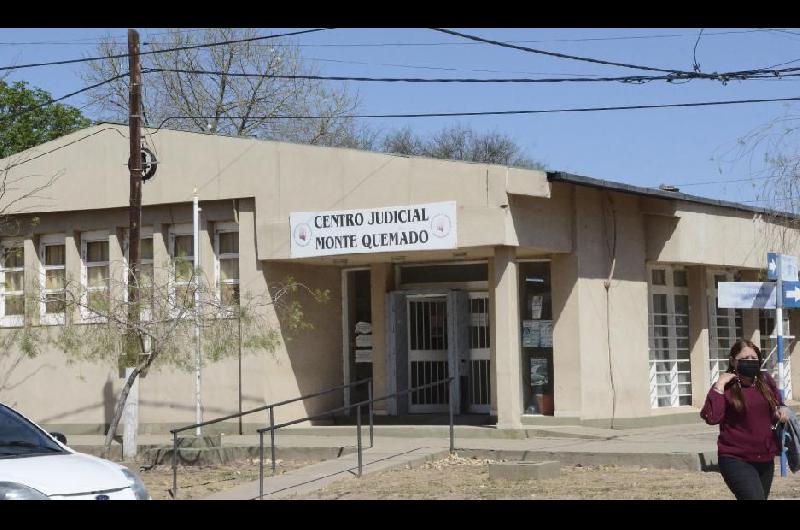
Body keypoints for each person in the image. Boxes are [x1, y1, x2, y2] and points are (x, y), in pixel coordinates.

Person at [701, 339, 790, 500]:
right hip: (736, 458)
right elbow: (712, 417)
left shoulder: (765, 381)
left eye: (754, 358)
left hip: (765, 457)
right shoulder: (726, 387)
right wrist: (719, 384)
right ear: (733, 360)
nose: (750, 362)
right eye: (745, 358)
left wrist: (781, 412)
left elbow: (779, 404)